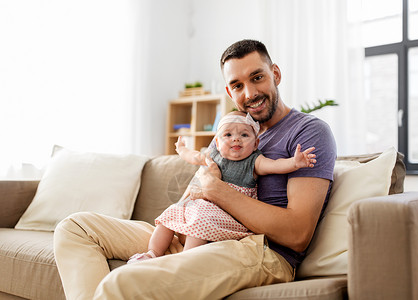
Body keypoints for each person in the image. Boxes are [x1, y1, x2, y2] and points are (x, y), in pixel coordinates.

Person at [53, 39, 336, 300]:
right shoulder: (229, 132)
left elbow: (297, 235)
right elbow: (196, 190)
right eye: (237, 85)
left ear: (275, 74)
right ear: (229, 91)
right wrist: (172, 227)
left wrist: (217, 190)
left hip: (258, 249)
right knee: (76, 228)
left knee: (122, 282)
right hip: (193, 231)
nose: (249, 93)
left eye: (257, 77)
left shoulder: (308, 133)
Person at [127, 110, 317, 264]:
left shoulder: (255, 161)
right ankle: (152, 254)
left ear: (256, 143)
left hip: (230, 214)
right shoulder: (213, 155)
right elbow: (193, 157)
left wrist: (294, 163)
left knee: (200, 217)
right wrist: (181, 149)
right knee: (171, 212)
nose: (236, 139)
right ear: (217, 142)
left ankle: (184, 262)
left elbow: (275, 166)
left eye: (244, 135)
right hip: (204, 205)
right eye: (228, 135)